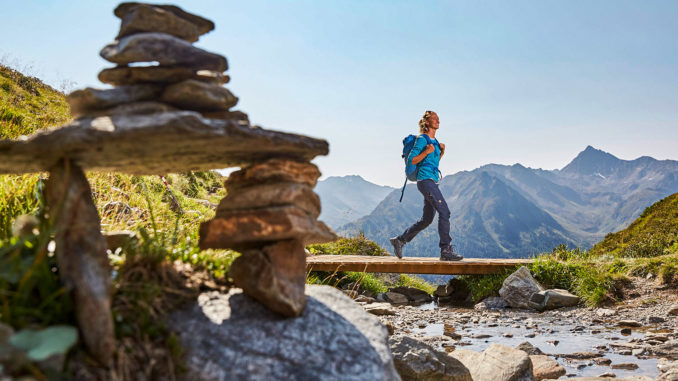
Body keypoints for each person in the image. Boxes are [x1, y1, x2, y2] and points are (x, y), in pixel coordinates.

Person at [390, 110, 463, 261]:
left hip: (432, 181)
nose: (438, 121)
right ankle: (445, 250)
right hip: (425, 181)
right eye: (434, 119)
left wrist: (441, 153)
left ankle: (400, 240)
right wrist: (427, 151)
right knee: (445, 212)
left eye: (438, 119)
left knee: (427, 219)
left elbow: (432, 163)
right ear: (427, 122)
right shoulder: (422, 140)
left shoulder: (435, 142)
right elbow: (412, 160)